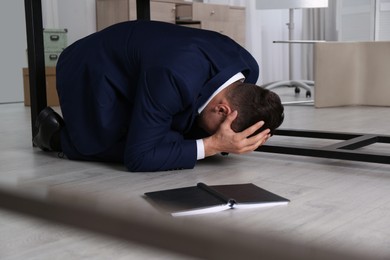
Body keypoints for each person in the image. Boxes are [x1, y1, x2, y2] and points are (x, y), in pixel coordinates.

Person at [33, 20, 284, 172]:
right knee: (143, 148)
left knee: (175, 142)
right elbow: (137, 159)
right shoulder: (175, 76)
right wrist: (212, 144)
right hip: (91, 68)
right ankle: (55, 138)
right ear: (222, 110)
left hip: (150, 67)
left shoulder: (248, 67)